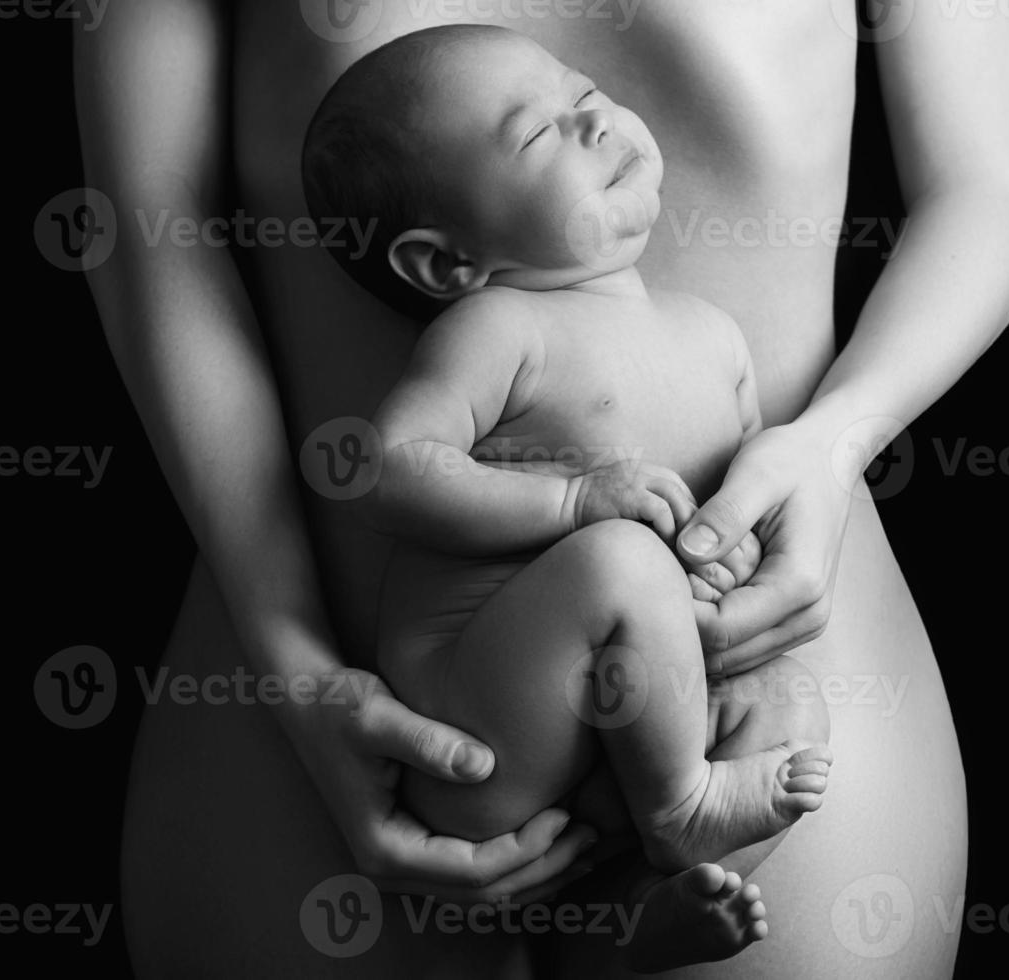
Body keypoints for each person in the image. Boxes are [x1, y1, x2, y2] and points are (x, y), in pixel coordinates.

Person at [77, 1, 1009, 975]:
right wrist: (296, 661)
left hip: (765, 646)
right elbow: (153, 236)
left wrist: (834, 446)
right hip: (345, 688)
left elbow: (983, 195)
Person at [300, 25, 833, 969]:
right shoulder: (502, 325)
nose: (591, 120)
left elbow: (734, 503)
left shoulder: (711, 335)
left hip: (656, 702)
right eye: (538, 134)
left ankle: (621, 928)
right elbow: (392, 466)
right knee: (620, 559)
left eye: (581, 92)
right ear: (446, 263)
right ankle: (678, 809)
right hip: (494, 710)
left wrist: (735, 555)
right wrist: (574, 504)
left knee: (791, 703)